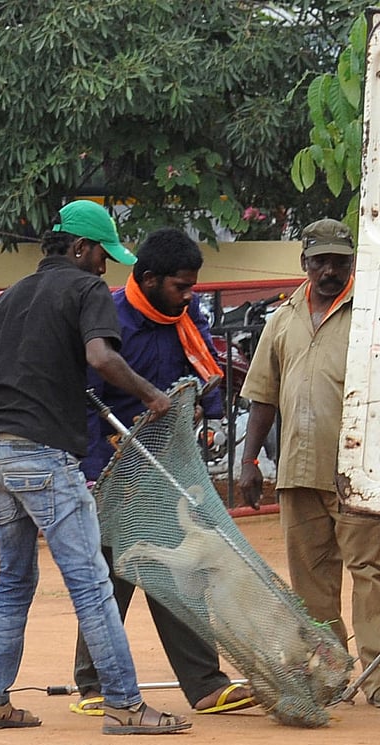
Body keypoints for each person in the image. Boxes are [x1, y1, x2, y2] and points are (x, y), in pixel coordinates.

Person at [0, 200, 191, 735]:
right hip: (44, 456)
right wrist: (154, 397)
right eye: (100, 255)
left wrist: (28, 382)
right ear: (79, 248)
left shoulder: (7, 297)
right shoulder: (86, 291)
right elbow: (103, 360)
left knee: (14, 582)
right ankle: (126, 706)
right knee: (91, 583)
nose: (104, 268)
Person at [69, 227, 255, 716]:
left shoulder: (184, 315)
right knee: (114, 572)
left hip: (167, 457)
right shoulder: (109, 319)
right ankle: (94, 685)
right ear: (148, 279)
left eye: (192, 286)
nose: (189, 296)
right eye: (181, 287)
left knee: (179, 567)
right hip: (113, 462)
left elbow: (203, 366)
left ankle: (206, 685)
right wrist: (94, 469)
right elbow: (85, 399)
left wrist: (210, 414)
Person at [239, 218, 380, 709]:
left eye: (341, 261)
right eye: (322, 261)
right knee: (311, 579)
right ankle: (331, 675)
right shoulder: (282, 320)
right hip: (296, 469)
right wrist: (249, 459)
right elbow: (262, 397)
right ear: (304, 263)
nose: (331, 270)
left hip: (355, 469)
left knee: (370, 571)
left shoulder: (372, 313)